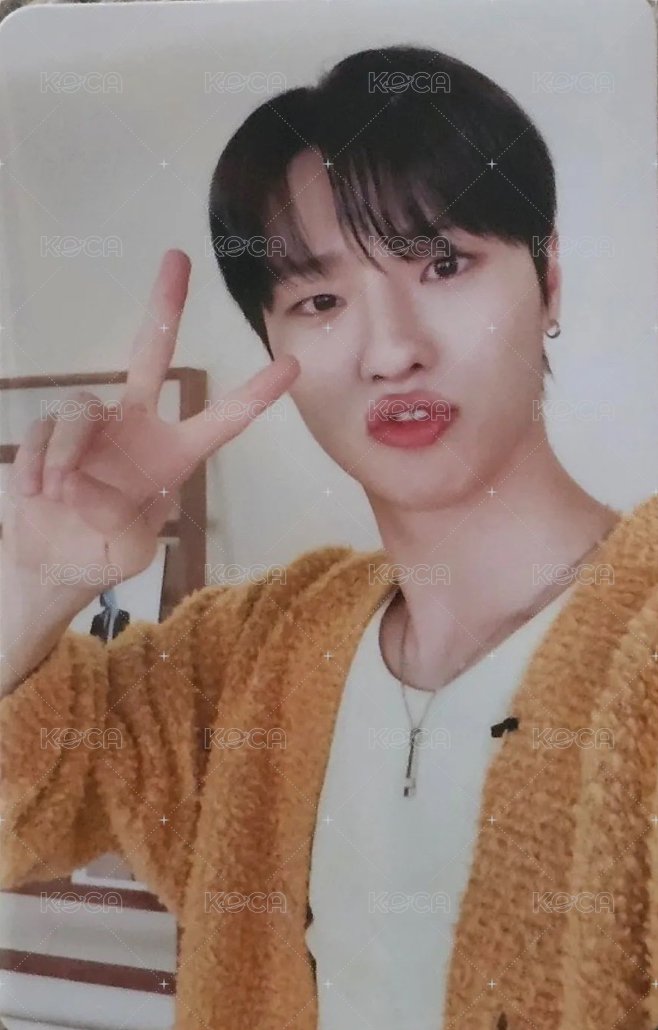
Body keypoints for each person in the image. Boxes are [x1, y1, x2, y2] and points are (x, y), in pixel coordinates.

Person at [1, 44, 657, 1030]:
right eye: (320, 300)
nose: (391, 349)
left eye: (443, 264)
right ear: (275, 348)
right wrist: (40, 574)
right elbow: (25, 813)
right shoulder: (251, 655)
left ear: (548, 277)